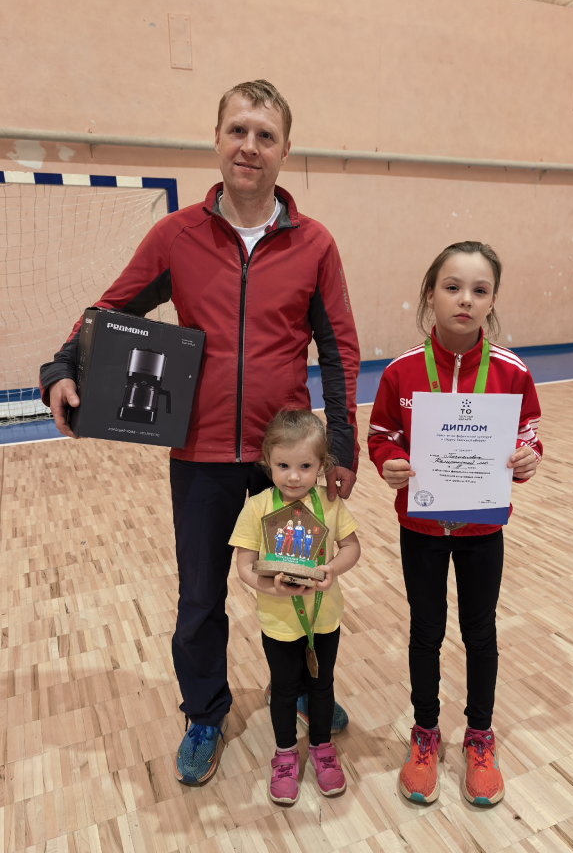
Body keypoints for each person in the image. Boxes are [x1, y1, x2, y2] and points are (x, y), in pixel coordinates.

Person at [39, 80, 360, 785]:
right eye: (238, 130)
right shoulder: (175, 236)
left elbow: (338, 350)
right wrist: (62, 364)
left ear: (284, 150)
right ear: (217, 139)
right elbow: (110, 310)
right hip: (202, 453)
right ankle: (206, 712)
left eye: (265, 135)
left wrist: (341, 441)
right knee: (200, 597)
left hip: (287, 461)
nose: (250, 146)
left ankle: (304, 693)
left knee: (300, 584)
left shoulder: (315, 244)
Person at [367, 241, 542, 806]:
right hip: (420, 528)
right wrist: (388, 462)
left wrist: (526, 458)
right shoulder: (400, 372)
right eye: (452, 287)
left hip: (481, 531)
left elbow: (529, 432)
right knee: (425, 630)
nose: (465, 299)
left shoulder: (512, 372)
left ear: (492, 301)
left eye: (479, 290)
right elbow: (382, 435)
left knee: (480, 631)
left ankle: (479, 735)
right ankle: (425, 732)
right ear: (430, 294)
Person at [231, 410, 361, 804]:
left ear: (322, 465)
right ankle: (285, 754)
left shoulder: (330, 504)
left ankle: (322, 748)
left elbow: (351, 547)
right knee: (285, 691)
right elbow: (243, 566)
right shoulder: (257, 507)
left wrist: (332, 569)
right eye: (283, 465)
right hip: (278, 622)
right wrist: (270, 587)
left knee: (322, 687)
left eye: (305, 466)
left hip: (324, 619)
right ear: (267, 462)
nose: (293, 477)